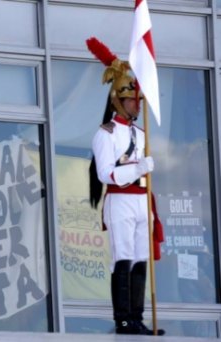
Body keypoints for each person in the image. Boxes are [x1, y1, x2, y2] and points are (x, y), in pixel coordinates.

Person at [87, 38, 164, 335]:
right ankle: (122, 319)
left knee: (142, 257)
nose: (138, 104)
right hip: (119, 200)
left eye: (139, 100)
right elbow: (106, 173)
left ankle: (138, 316)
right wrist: (137, 167)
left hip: (142, 199)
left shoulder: (141, 133)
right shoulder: (105, 134)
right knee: (124, 256)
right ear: (118, 100)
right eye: (134, 100)